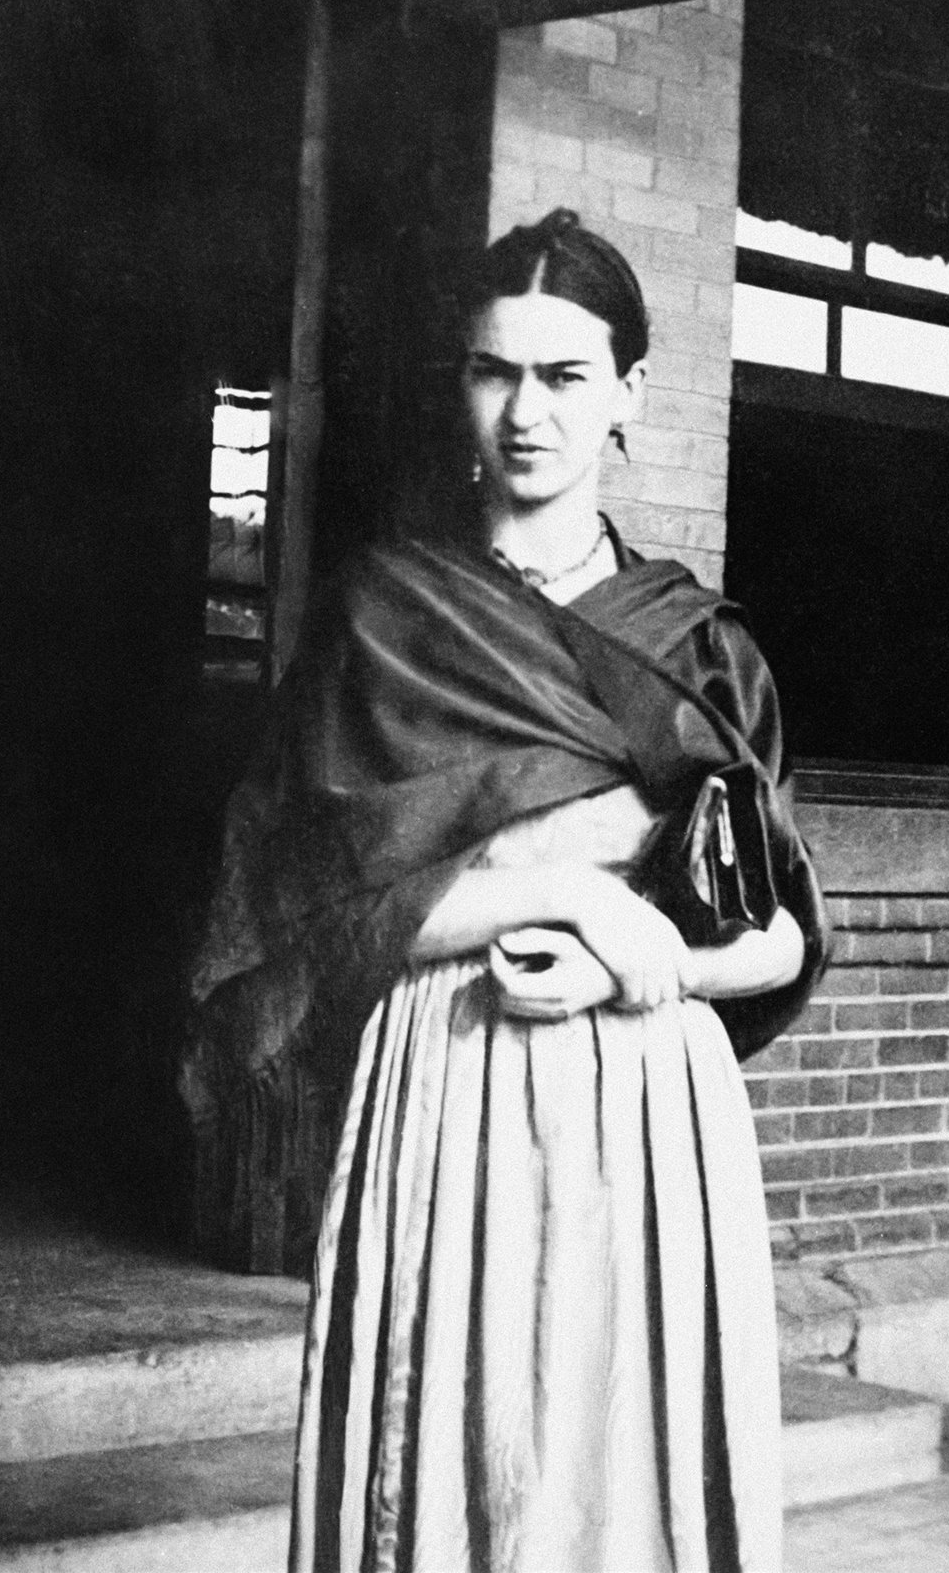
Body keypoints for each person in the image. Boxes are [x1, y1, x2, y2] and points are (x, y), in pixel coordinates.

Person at [186, 208, 830, 1573]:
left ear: (627, 397)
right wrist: (583, 903)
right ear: (460, 388)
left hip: (650, 1097)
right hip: (453, 1076)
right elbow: (305, 906)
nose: (525, 414)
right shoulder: (386, 616)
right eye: (495, 373)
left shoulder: (702, 649)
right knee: (456, 1461)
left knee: (619, 1474)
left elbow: (778, 936)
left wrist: (645, 957)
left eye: (564, 376)